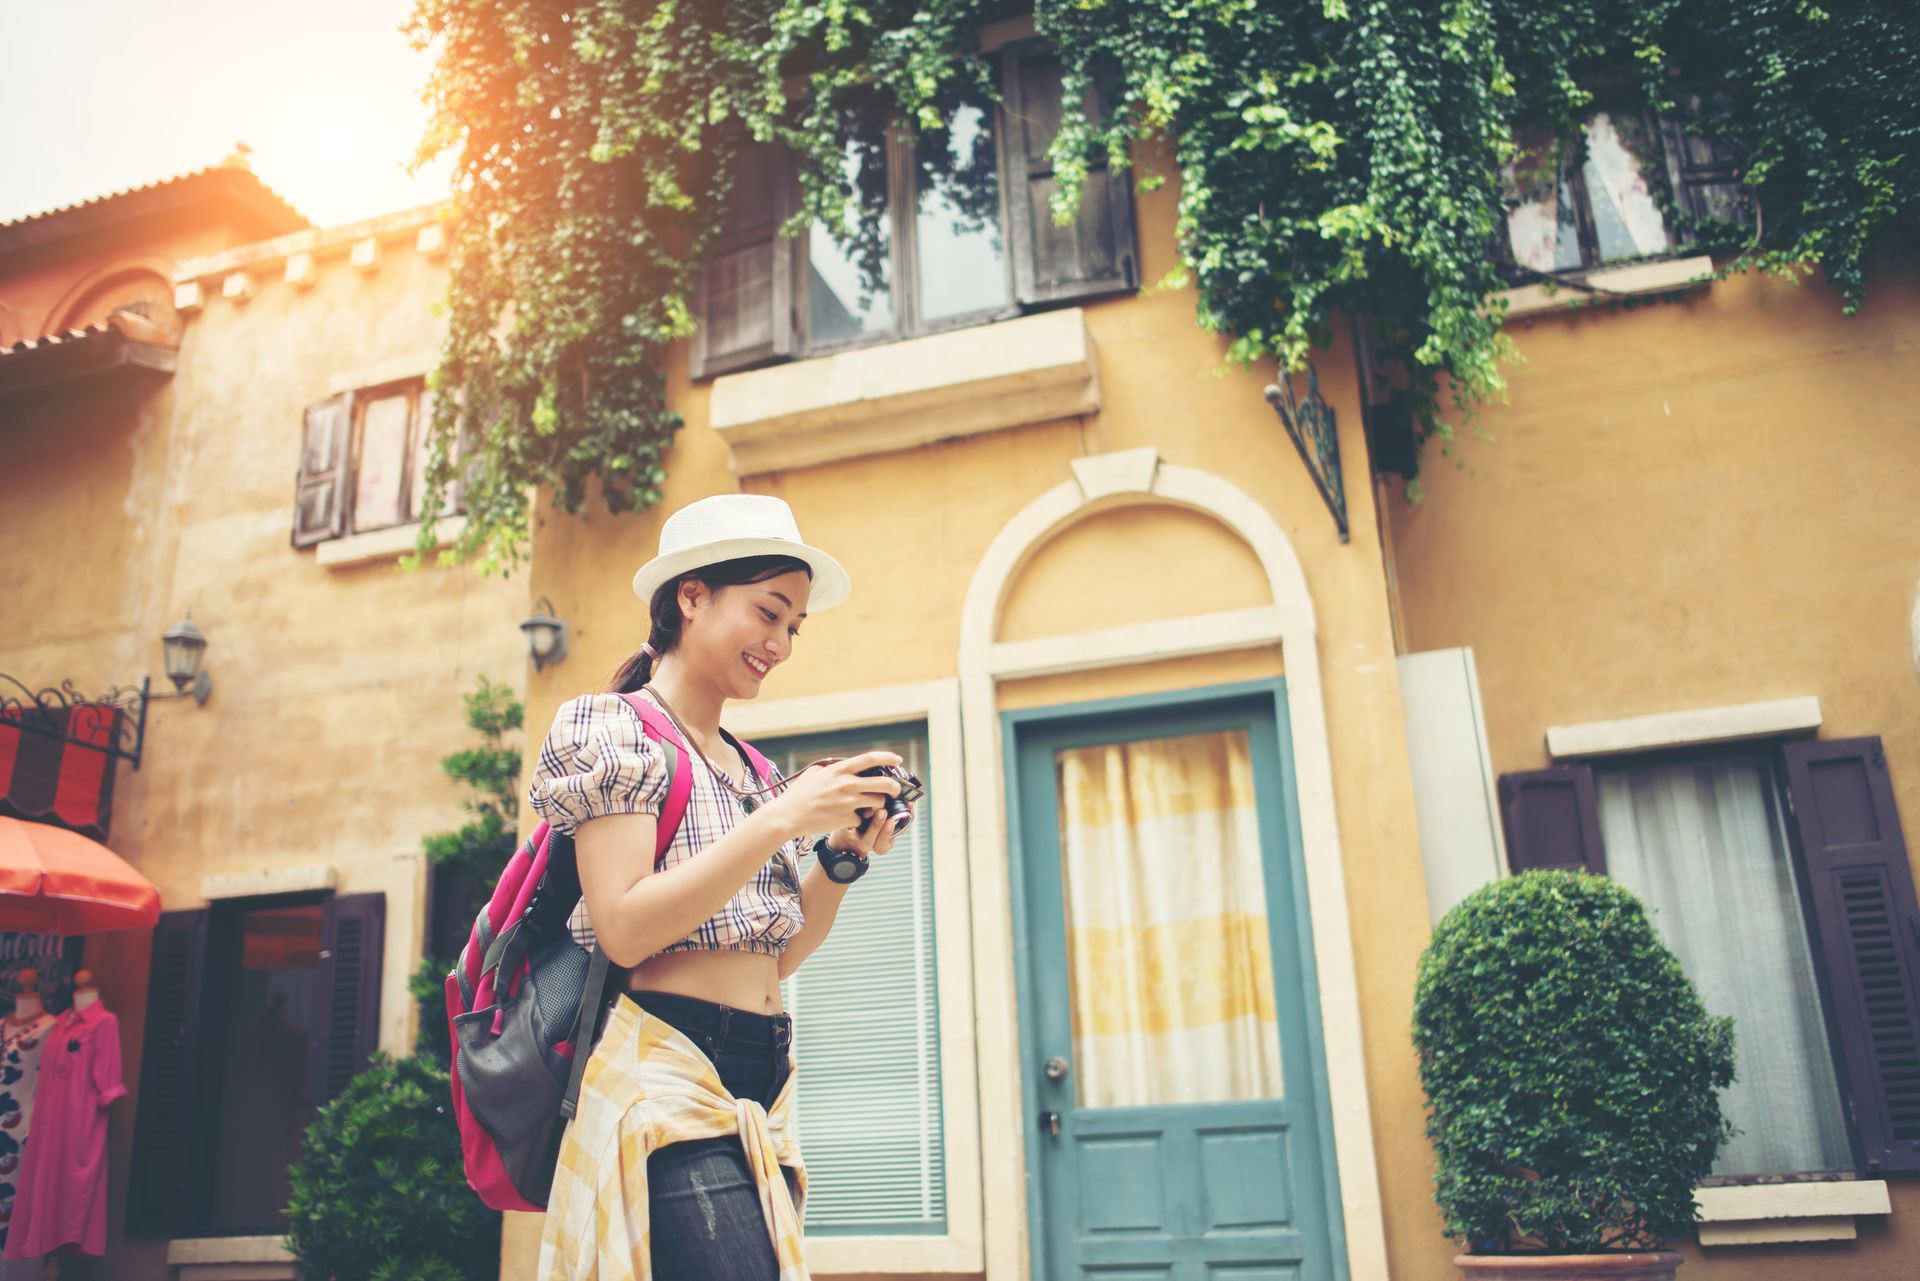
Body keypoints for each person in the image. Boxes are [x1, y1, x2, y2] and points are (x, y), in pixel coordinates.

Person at [531, 493, 910, 1281]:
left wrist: (838, 860)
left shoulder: (754, 767)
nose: (781, 643)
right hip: (667, 1067)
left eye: (794, 626)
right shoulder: (612, 728)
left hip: (761, 1085)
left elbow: (773, 956)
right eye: (769, 613)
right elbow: (625, 928)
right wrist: (779, 822)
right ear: (691, 596)